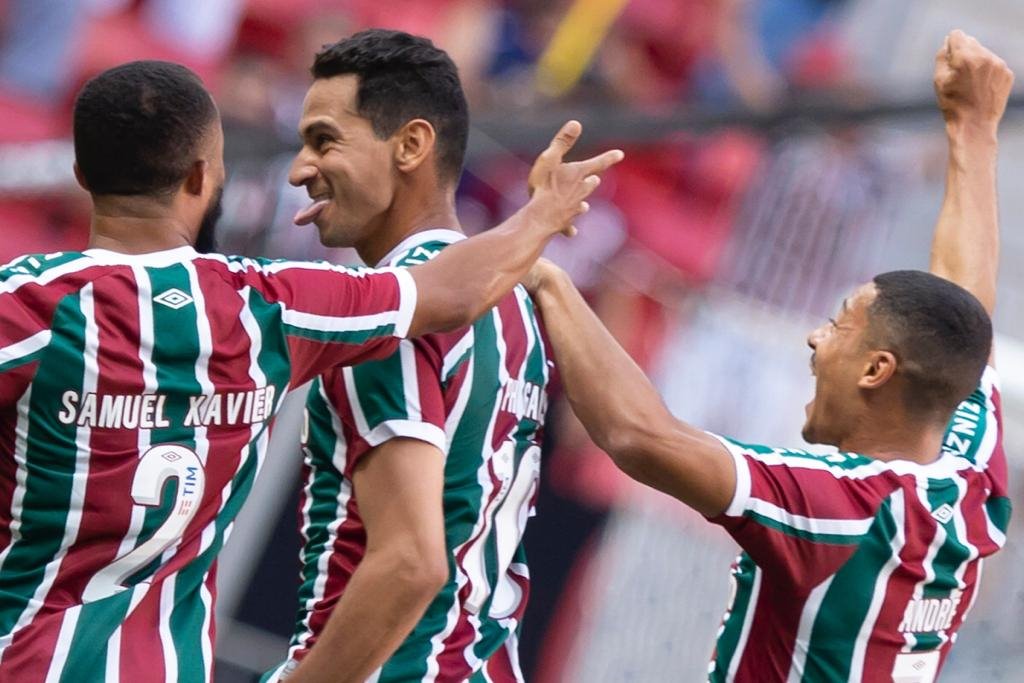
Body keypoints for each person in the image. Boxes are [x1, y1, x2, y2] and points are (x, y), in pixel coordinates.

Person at [0, 60, 621, 680]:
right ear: (203, 177)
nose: (301, 168)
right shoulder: (270, 306)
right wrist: (540, 218)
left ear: (81, 175)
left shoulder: (25, 307)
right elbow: (447, 292)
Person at [523, 29, 1010, 682]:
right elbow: (963, 306)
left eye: (839, 328)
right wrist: (974, 133)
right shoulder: (968, 464)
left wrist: (539, 259)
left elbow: (637, 432)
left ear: (877, 369)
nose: (814, 338)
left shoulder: (830, 502)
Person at [265, 30, 550, 683]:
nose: (299, 170)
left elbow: (412, 561)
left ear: (412, 145)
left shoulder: (384, 315)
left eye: (324, 141)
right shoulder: (515, 308)